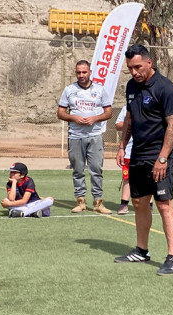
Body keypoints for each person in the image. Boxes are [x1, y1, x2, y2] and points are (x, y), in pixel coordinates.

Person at [115, 44, 173, 276]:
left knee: (164, 205)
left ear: (149, 62)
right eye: (130, 68)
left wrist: (162, 158)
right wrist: (122, 146)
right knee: (139, 203)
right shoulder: (132, 86)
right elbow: (130, 119)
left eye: (137, 67)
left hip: (159, 155)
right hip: (138, 155)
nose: (134, 72)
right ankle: (141, 250)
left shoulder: (165, 88)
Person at [57, 60, 112, 215]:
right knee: (78, 170)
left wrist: (95, 118)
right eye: (78, 72)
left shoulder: (100, 90)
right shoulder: (69, 90)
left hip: (95, 136)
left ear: (90, 72)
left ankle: (98, 202)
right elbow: (60, 113)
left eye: (84, 72)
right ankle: (80, 201)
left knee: (96, 169)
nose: (81, 75)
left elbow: (109, 112)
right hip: (75, 136)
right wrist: (73, 117)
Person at [115, 105, 133, 215]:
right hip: (129, 151)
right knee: (127, 178)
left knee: (146, 180)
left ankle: (148, 206)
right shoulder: (127, 107)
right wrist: (132, 123)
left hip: (146, 151)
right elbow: (118, 125)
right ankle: (124, 204)